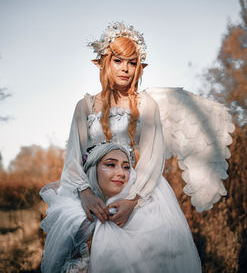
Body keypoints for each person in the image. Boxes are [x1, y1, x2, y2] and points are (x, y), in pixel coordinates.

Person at [41, 22, 234, 272]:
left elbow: (153, 156)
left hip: (131, 187)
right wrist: (85, 194)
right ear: (104, 63)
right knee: (79, 248)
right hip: (90, 186)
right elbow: (74, 156)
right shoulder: (85, 106)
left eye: (133, 63)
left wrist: (132, 200)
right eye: (118, 60)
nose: (126, 69)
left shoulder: (146, 105)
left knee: (140, 253)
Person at [40, 143, 137, 272]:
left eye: (126, 167)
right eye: (110, 165)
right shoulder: (81, 219)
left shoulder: (135, 210)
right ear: (93, 169)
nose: (121, 173)